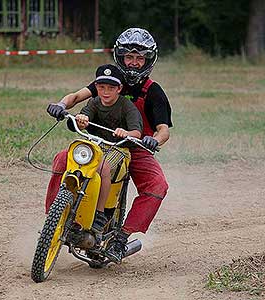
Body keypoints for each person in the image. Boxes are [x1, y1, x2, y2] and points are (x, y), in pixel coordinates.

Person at [46, 27, 172, 263]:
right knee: (61, 159)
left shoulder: (154, 91)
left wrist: (152, 140)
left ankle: (121, 238)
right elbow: (75, 97)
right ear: (120, 57)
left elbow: (163, 130)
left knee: (158, 186)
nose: (133, 63)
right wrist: (61, 105)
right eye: (129, 57)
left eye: (139, 58)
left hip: (136, 147)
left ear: (148, 60)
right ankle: (54, 220)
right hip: (100, 142)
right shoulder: (109, 80)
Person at [73, 64, 143, 233]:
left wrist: (126, 132)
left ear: (119, 89)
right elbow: (84, 119)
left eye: (111, 88)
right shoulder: (94, 102)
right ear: (96, 87)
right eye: (101, 87)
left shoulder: (126, 106)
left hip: (119, 149)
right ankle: (64, 205)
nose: (105, 92)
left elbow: (137, 132)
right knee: (73, 160)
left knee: (102, 167)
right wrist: (81, 120)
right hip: (95, 145)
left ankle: (100, 213)